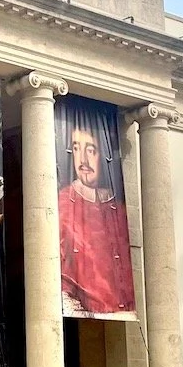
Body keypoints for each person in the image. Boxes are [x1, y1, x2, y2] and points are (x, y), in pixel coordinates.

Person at [58, 123, 135, 316]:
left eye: (90, 150)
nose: (82, 160)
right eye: (76, 148)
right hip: (83, 313)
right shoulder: (62, 203)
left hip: (125, 312)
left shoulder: (121, 210)